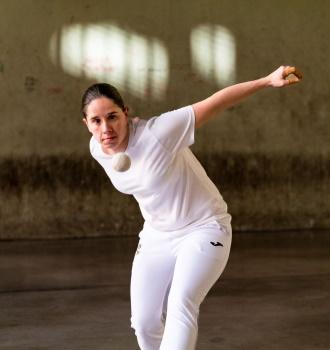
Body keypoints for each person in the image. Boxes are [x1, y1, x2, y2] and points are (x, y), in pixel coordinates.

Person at [82, 65, 302, 350]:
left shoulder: (160, 133)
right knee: (144, 322)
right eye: (96, 121)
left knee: (181, 303)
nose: (105, 129)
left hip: (204, 227)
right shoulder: (97, 147)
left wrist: (266, 80)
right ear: (86, 123)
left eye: (112, 117)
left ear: (126, 112)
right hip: (157, 235)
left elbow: (217, 101)